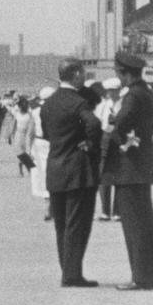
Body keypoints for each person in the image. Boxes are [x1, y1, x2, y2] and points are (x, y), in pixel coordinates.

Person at [39, 58, 102, 288]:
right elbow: (94, 124)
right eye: (83, 73)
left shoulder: (48, 103)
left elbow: (46, 133)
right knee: (78, 224)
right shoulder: (78, 102)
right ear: (75, 74)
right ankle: (72, 275)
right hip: (78, 170)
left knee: (62, 225)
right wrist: (89, 143)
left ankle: (67, 271)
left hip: (55, 169)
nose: (84, 77)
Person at [107, 51, 153, 290]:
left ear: (124, 73)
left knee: (134, 224)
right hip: (143, 166)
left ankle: (140, 277)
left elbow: (121, 125)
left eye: (119, 73)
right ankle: (147, 274)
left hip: (130, 167)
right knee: (144, 223)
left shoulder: (132, 96)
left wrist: (111, 132)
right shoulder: (147, 93)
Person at [94, 77, 122, 221]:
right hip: (104, 142)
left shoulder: (123, 104)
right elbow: (96, 124)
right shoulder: (102, 106)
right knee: (103, 176)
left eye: (113, 90)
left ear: (118, 90)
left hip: (120, 143)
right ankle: (105, 211)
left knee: (119, 177)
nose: (110, 93)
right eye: (109, 91)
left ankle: (117, 211)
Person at [29, 88, 53, 220]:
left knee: (41, 174)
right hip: (52, 143)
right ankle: (51, 206)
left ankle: (48, 206)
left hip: (38, 143)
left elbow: (30, 131)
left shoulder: (35, 111)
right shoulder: (57, 110)